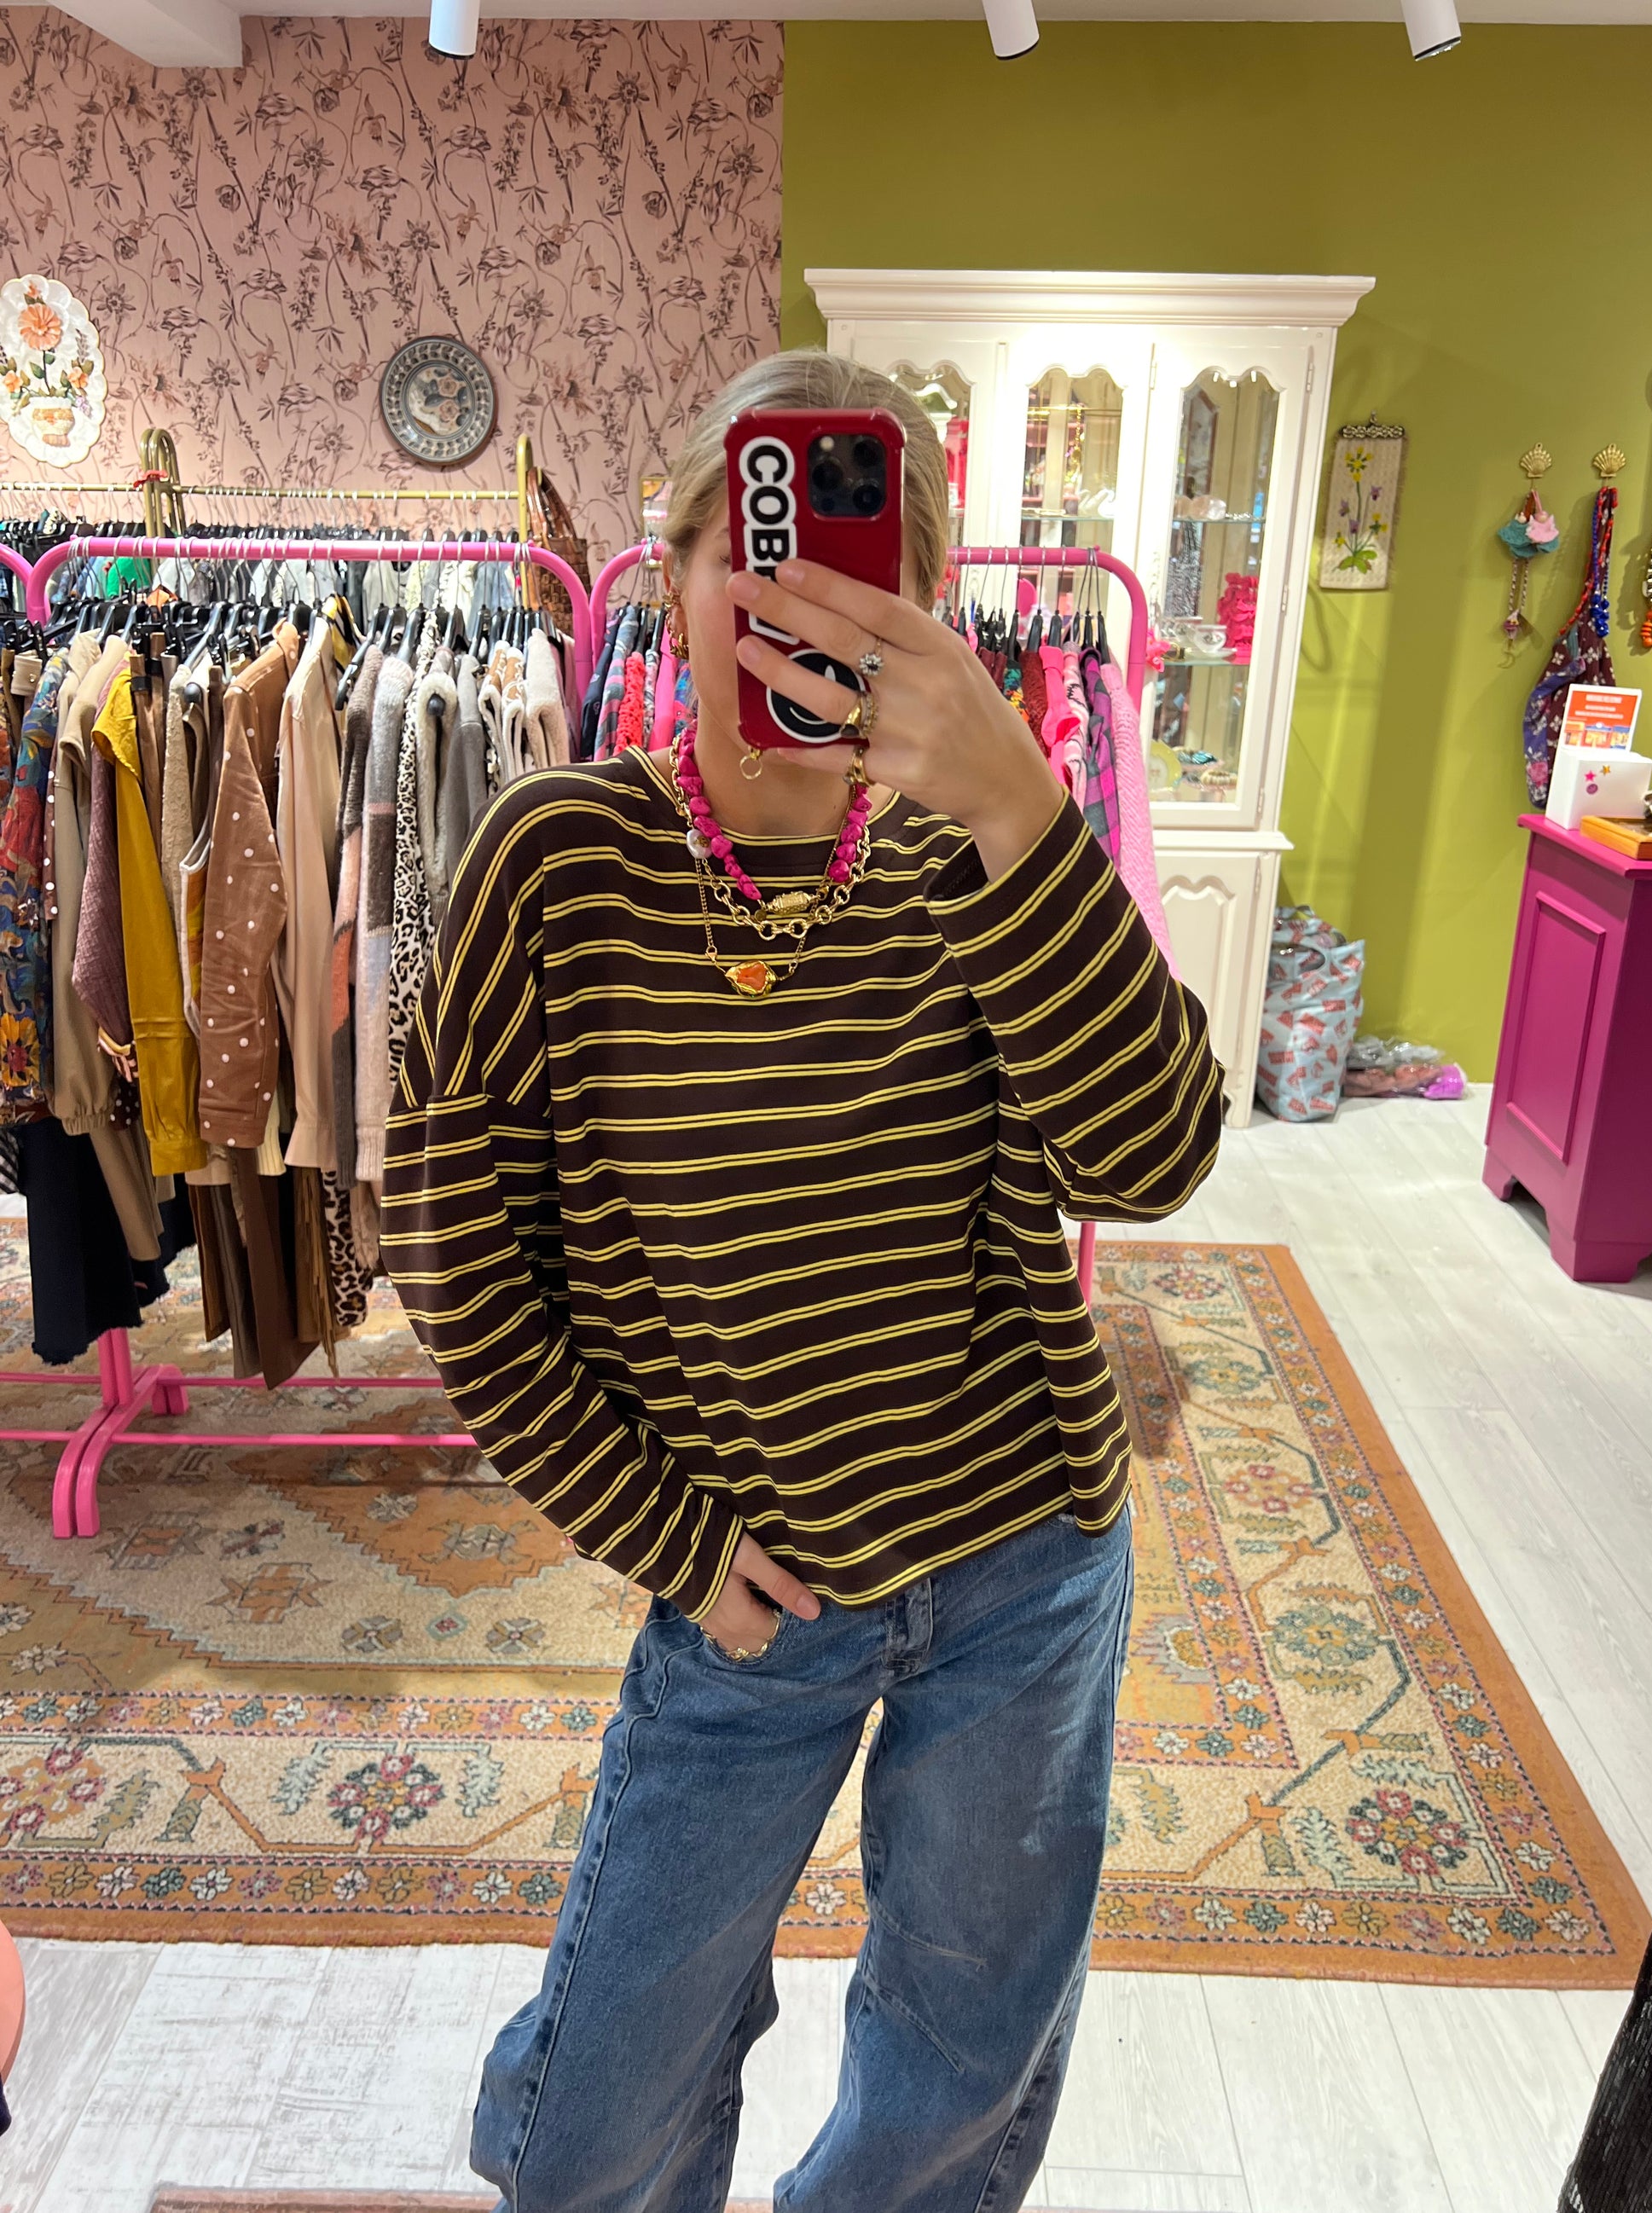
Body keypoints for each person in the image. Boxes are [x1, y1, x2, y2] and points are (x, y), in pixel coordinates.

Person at [383, 350, 1222, 2213]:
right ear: (672, 568)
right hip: (746, 1584)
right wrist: (666, 1537)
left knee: (958, 2065)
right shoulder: (559, 860)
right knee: (600, 2104)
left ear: (923, 609)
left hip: (1024, 1562)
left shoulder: (977, 854)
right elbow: (451, 1251)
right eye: (752, 560)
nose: (797, 617)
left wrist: (1024, 814)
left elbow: (1152, 1157)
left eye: (859, 579)